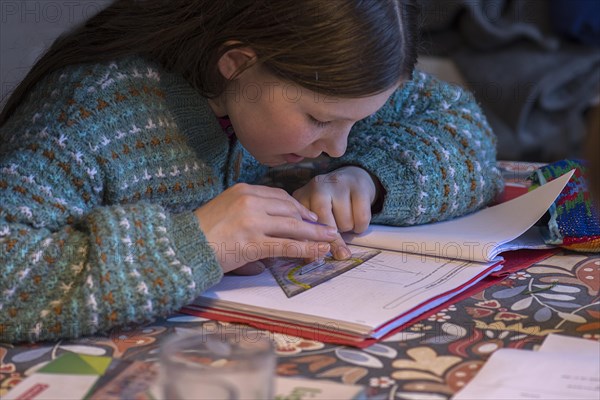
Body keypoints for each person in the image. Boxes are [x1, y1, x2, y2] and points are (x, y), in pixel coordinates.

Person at [0, 0, 503, 343]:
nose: (336, 146)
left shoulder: (327, 87)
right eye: (319, 120)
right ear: (237, 63)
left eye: (361, 122)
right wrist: (196, 242)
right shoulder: (89, 115)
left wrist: (368, 179)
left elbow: (464, 130)